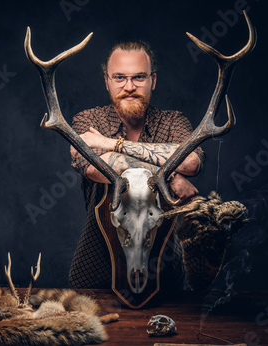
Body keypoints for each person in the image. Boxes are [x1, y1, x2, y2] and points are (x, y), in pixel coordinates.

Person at [69, 40, 205, 289]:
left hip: (164, 273)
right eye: (119, 77)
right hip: (96, 270)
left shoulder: (173, 122)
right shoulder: (88, 120)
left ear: (153, 80)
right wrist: (172, 175)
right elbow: (95, 168)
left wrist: (111, 144)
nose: (129, 87)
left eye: (139, 77)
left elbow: (192, 162)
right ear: (106, 80)